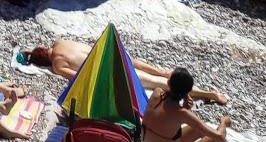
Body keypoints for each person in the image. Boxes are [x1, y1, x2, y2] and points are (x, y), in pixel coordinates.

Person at [25, 40, 229, 104]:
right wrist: (30, 52)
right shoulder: (61, 42)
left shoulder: (57, 64)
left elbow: (78, 76)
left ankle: (208, 94)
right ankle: (167, 72)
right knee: (152, 70)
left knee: (159, 83)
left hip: (111, 68)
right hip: (111, 53)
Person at [141, 69, 231, 142]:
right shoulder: (183, 113)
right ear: (187, 91)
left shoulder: (157, 93)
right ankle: (224, 126)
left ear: (168, 82)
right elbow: (219, 136)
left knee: (198, 128)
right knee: (216, 137)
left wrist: (185, 98)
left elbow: (170, 116)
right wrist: (224, 123)